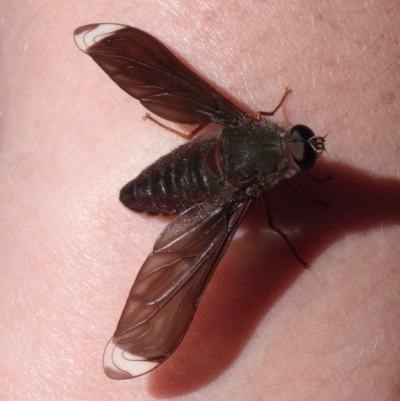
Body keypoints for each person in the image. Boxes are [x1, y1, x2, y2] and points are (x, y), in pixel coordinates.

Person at [2, 1, 399, 400]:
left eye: (301, 146)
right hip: (174, 188)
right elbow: (276, 209)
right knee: (191, 268)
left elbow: (229, 114)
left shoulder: (243, 121)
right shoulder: (257, 183)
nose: (305, 143)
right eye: (301, 144)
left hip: (191, 161)